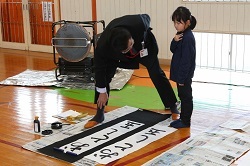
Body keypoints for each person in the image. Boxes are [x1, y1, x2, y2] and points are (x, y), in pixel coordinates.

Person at [84, 14, 180, 129]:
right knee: (104, 77)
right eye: (126, 49)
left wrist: (139, 41)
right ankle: (99, 115)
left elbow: (148, 17)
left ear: (130, 37)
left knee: (156, 73)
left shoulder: (138, 22)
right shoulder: (103, 47)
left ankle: (172, 105)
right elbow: (99, 70)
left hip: (145, 47)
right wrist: (102, 91)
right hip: (120, 57)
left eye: (129, 45)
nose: (129, 49)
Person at [169, 6, 197, 128]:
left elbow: (187, 61)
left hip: (184, 76)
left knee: (186, 98)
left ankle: (185, 121)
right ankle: (183, 118)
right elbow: (172, 49)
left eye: (179, 23)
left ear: (187, 23)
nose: (176, 25)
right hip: (180, 75)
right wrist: (174, 40)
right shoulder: (180, 34)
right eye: (175, 22)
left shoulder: (188, 38)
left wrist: (181, 78)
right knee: (182, 96)